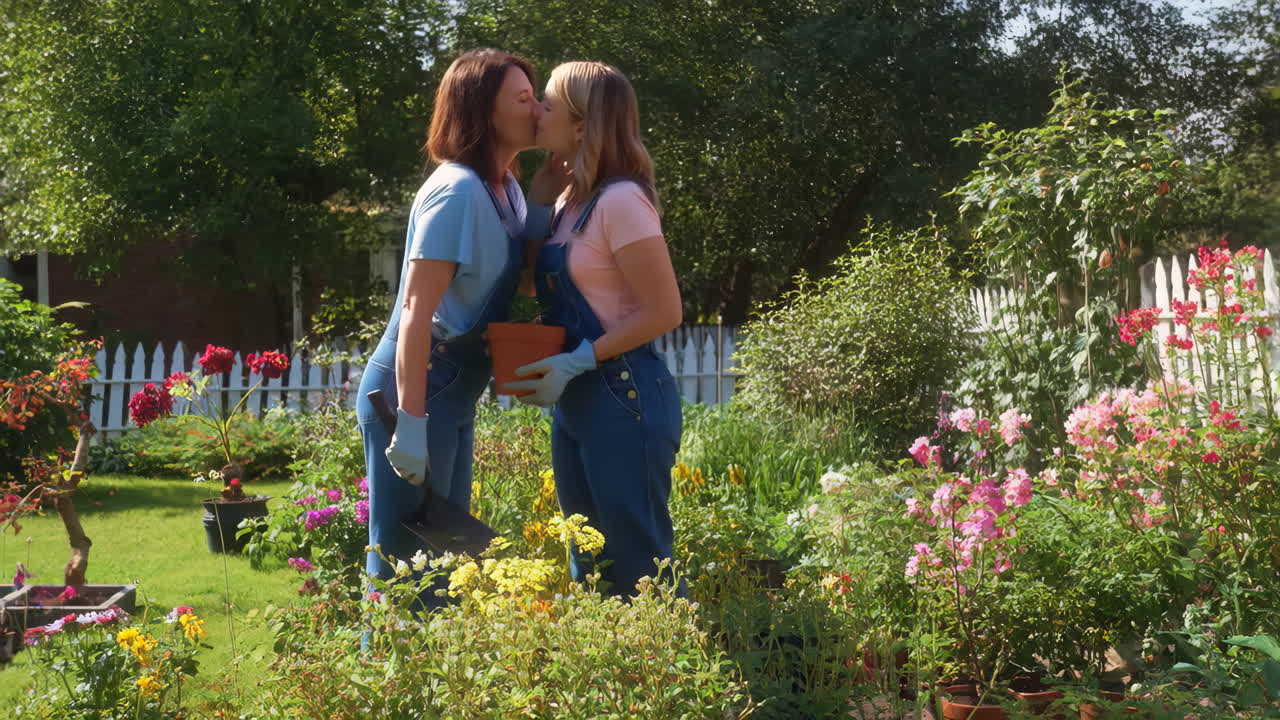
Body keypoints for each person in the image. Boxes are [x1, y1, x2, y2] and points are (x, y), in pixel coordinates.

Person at [355, 49, 561, 585]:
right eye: (522, 98)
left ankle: (427, 669)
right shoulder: (456, 192)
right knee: (406, 559)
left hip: (455, 385)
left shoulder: (506, 189)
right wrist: (412, 424)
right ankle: (383, 667)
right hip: (413, 389)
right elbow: (415, 314)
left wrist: (541, 198)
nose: (537, 108)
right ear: (482, 113)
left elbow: (518, 276)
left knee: (445, 558)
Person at [504, 62, 684, 597]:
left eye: (550, 104)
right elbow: (531, 287)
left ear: (582, 126)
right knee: (589, 567)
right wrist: (538, 202)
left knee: (638, 566)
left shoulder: (621, 201)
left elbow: (665, 311)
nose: (539, 111)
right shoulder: (567, 203)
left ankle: (667, 673)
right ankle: (613, 678)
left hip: (626, 399)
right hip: (580, 405)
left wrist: (577, 359)